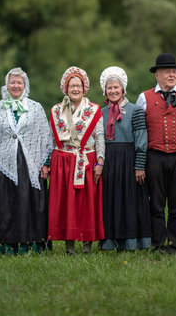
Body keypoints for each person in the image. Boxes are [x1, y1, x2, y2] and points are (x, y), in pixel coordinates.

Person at [0, 67, 54, 254]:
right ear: (6, 85)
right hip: (3, 162)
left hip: (30, 163)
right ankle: (3, 245)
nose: (16, 86)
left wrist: (46, 163)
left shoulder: (36, 107)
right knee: (4, 203)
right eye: (12, 82)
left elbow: (45, 138)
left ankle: (31, 244)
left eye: (19, 82)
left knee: (28, 202)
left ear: (25, 85)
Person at [135, 53, 176, 254]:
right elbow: (140, 131)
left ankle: (174, 243)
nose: (172, 74)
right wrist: (140, 163)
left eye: (174, 71)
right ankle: (158, 243)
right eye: (167, 71)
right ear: (157, 75)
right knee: (157, 202)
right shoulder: (144, 97)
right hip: (155, 155)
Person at [48, 66, 105, 254]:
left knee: (86, 203)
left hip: (87, 161)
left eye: (78, 85)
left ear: (84, 87)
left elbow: (99, 138)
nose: (75, 89)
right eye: (71, 85)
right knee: (67, 204)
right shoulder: (57, 111)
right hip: (64, 161)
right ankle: (69, 246)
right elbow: (51, 139)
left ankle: (87, 245)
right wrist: (49, 163)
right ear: (66, 88)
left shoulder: (94, 110)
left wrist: (100, 162)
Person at [99, 66, 151, 251]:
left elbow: (141, 140)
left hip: (129, 158)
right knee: (110, 199)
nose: (113, 91)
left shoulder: (135, 111)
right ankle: (109, 241)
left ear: (123, 90)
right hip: (109, 159)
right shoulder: (101, 112)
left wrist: (139, 166)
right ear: (105, 90)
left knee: (130, 199)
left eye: (116, 88)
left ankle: (132, 241)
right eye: (109, 88)